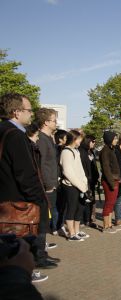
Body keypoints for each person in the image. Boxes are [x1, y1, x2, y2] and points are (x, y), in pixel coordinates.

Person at [0, 93, 51, 281]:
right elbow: (26, 175)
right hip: (17, 203)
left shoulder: (3, 130)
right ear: (16, 112)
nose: (31, 114)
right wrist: (39, 200)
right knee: (17, 246)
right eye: (29, 110)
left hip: (4, 199)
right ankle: (18, 277)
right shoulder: (15, 136)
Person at [60, 130, 90, 241]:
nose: (81, 141)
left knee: (79, 208)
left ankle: (77, 230)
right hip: (70, 186)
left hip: (80, 185)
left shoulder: (75, 151)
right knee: (71, 209)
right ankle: (71, 233)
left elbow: (80, 169)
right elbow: (68, 172)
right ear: (74, 139)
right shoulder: (66, 152)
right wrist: (80, 186)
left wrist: (84, 183)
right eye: (79, 139)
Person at [35, 108, 59, 238]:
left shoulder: (48, 138)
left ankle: (42, 245)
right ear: (45, 122)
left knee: (47, 217)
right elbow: (42, 164)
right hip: (47, 187)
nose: (56, 123)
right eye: (54, 120)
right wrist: (48, 184)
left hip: (52, 184)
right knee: (44, 217)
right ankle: (40, 250)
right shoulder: (42, 139)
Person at [99, 131, 121, 232]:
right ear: (109, 139)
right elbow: (106, 169)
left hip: (114, 179)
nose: (116, 140)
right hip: (109, 181)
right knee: (109, 203)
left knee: (112, 203)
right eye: (115, 138)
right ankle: (105, 226)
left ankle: (109, 224)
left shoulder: (111, 149)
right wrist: (112, 183)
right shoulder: (105, 151)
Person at [79, 135, 100, 228]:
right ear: (88, 141)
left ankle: (88, 219)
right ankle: (82, 220)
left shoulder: (91, 151)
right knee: (84, 201)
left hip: (92, 180)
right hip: (85, 180)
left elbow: (94, 166)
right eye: (93, 141)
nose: (94, 143)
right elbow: (83, 167)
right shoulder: (82, 152)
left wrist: (96, 177)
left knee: (90, 200)